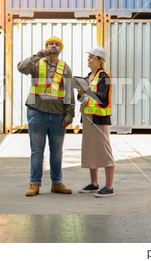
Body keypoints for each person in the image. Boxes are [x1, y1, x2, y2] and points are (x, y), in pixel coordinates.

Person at [17, 36, 75, 197]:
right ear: (46, 47)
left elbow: (69, 92)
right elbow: (22, 68)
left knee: (57, 151)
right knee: (37, 151)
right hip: (37, 112)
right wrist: (37, 55)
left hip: (58, 115)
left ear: (61, 49)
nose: (54, 46)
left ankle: (57, 183)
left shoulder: (65, 67)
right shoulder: (37, 63)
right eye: (51, 44)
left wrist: (69, 114)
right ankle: (34, 184)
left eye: (57, 44)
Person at [76, 46, 115, 197]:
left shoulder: (104, 77)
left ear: (100, 61)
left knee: (105, 152)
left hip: (99, 118)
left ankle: (109, 187)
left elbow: (102, 98)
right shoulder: (88, 77)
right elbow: (82, 99)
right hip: (87, 117)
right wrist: (80, 92)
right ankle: (94, 184)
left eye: (92, 57)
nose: (89, 59)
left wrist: (85, 89)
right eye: (89, 57)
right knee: (91, 150)